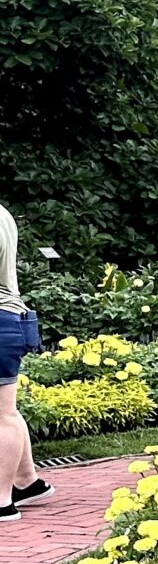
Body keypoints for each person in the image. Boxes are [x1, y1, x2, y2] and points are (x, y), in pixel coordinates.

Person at [0, 204, 49, 523]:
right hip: (9, 317)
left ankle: (1, 502)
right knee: (6, 410)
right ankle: (27, 482)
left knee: (2, 414)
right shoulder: (3, 213)